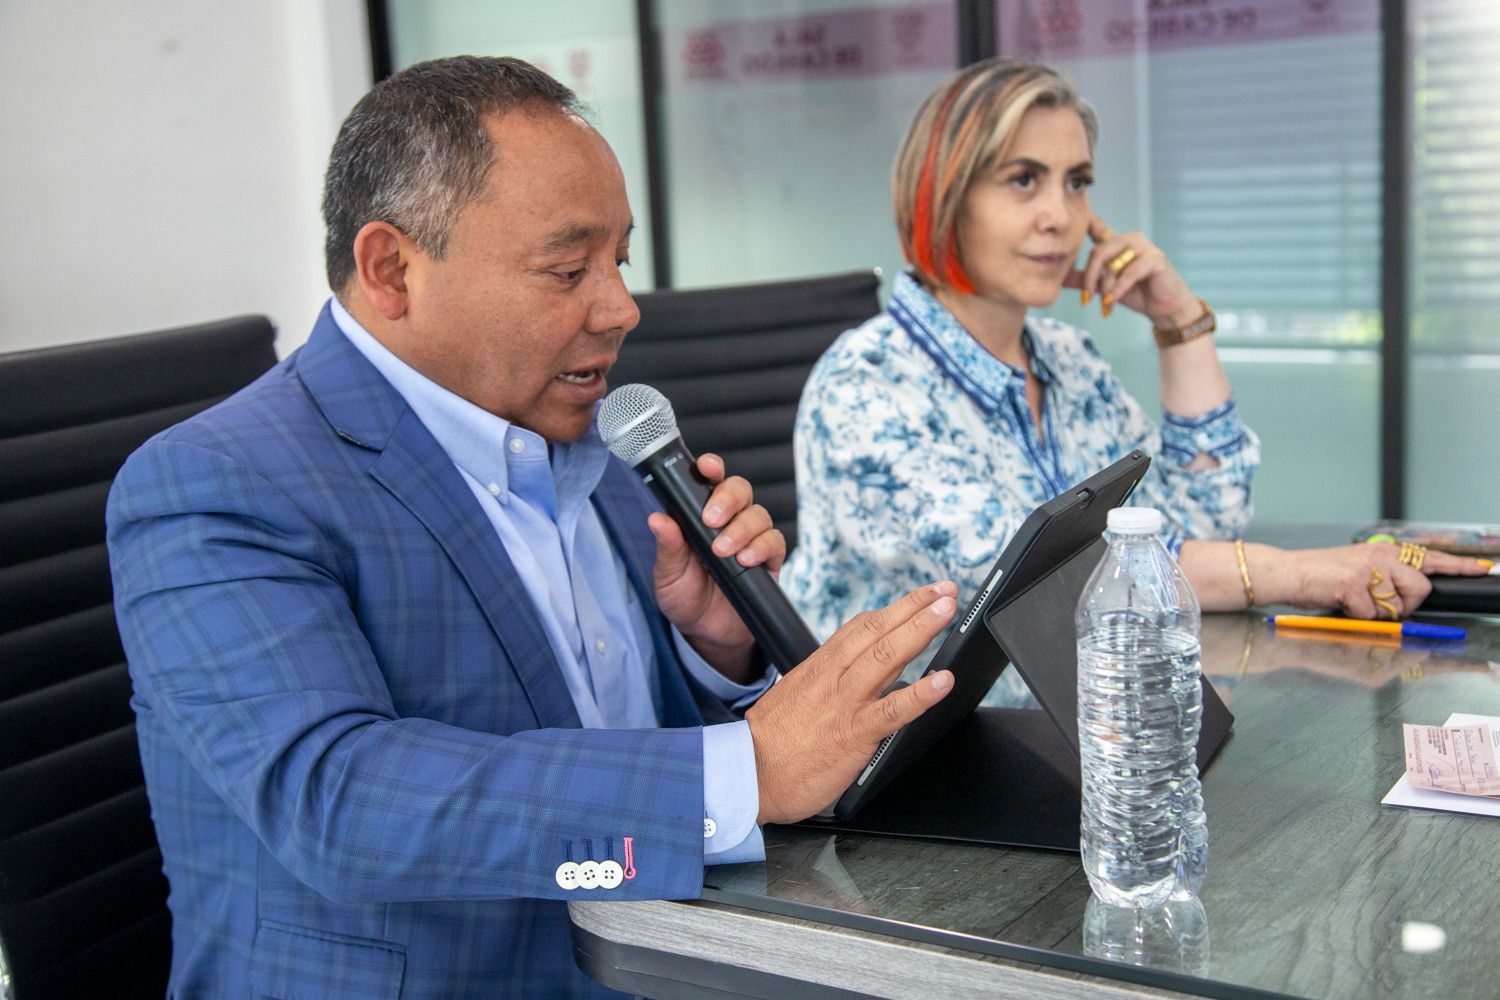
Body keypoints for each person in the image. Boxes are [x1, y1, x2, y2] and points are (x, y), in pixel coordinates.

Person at [106, 57, 958, 999]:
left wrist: (718, 653)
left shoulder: (593, 447)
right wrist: (746, 770)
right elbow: (336, 800)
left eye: (620, 260)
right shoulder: (217, 482)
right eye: (567, 269)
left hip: (665, 961)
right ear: (391, 269)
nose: (622, 308)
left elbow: (617, 745)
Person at [780, 58, 1490, 704]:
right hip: (918, 764)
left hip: (1087, 725)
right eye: (1023, 179)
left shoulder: (1066, 358)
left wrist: (1181, 324)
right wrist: (1300, 574)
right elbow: (1043, 586)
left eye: (1077, 182)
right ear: (941, 197)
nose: (1061, 217)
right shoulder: (865, 386)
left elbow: (1204, 524)